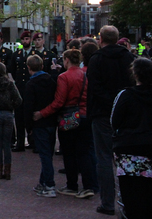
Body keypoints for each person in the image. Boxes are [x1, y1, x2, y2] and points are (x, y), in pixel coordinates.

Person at [33, 49, 97, 199]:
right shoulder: (86, 75)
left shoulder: (64, 77)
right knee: (84, 152)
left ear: (67, 60)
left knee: (69, 152)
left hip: (69, 116)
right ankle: (88, 186)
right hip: (85, 115)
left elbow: (59, 102)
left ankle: (72, 185)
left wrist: (42, 113)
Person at [87, 25, 134, 216]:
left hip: (103, 114)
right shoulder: (129, 58)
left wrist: (108, 104)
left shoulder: (96, 59)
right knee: (126, 158)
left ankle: (107, 203)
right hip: (127, 115)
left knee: (104, 158)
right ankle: (128, 201)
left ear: (101, 39)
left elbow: (95, 89)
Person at [111, 58, 152, 219]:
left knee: (132, 199)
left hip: (130, 152)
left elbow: (114, 121)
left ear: (135, 74)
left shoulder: (126, 95)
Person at [24, 54, 58, 198]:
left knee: (44, 155)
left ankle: (49, 185)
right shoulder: (51, 81)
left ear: (28, 68)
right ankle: (43, 182)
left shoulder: (31, 85)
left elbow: (28, 107)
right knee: (48, 153)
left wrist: (29, 126)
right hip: (51, 121)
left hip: (39, 123)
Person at [8, 30, 34, 152]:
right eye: (23, 39)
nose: (25, 41)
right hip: (19, 87)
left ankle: (32, 140)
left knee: (30, 116)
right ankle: (20, 143)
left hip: (31, 88)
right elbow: (12, 69)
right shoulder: (16, 54)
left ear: (30, 40)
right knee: (18, 116)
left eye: (27, 39)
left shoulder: (35, 54)